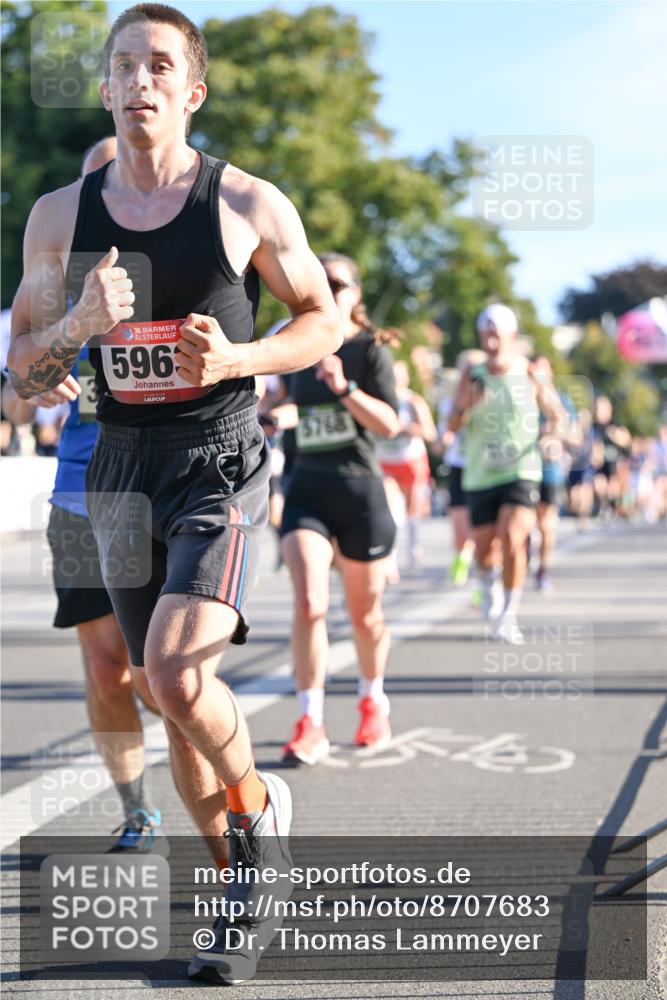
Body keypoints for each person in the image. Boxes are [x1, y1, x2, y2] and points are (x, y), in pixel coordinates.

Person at [8, 4, 341, 985]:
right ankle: (243, 886)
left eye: (159, 65)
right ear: (104, 89)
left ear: (191, 91)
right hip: (115, 464)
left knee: (175, 672)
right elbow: (22, 369)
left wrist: (238, 357)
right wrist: (75, 326)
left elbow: (320, 320)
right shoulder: (59, 216)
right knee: (162, 697)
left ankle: (260, 809)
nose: (139, 80)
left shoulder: (244, 202)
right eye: (123, 65)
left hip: (216, 458)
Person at [4, 136, 166, 850]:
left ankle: (231, 793)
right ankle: (139, 812)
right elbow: (14, 402)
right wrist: (43, 372)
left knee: (162, 679)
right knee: (106, 670)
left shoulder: (177, 264)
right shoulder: (52, 284)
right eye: (93, 183)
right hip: (78, 494)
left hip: (162, 489)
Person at [276, 252, 400, 765]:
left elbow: (389, 424)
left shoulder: (371, 351)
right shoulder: (297, 345)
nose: (328, 290)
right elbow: (289, 407)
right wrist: (272, 415)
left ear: (356, 295)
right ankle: (311, 720)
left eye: (338, 283)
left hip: (359, 493)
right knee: (310, 604)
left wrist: (343, 387)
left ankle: (373, 700)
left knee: (364, 615)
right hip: (306, 490)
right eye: (319, 281)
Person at [448, 304, 565, 644]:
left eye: (497, 335)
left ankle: (509, 616)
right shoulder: (472, 374)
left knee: (514, 538)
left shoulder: (530, 371)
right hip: (480, 473)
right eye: (485, 335)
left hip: (521, 469)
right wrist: (469, 404)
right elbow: (452, 424)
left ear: (512, 336)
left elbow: (557, 414)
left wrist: (552, 437)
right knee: (484, 551)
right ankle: (489, 585)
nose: (491, 342)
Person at [376, 359, 436, 573]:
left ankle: (413, 548)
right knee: (390, 508)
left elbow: (430, 432)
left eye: (398, 375)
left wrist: (407, 427)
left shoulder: (413, 401)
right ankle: (390, 554)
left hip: (410, 460)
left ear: (406, 378)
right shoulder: (379, 399)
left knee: (412, 511)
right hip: (385, 461)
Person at [438, 350, 486, 588]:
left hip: (482, 468)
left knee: (481, 532)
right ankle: (460, 562)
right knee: (460, 531)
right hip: (458, 466)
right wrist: (443, 440)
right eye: (467, 369)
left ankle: (482, 581)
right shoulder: (449, 402)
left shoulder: (492, 400)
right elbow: (442, 436)